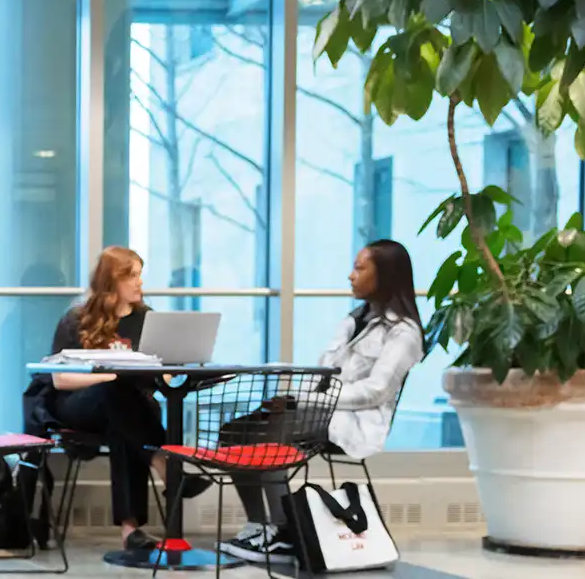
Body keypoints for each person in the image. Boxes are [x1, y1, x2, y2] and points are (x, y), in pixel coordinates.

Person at [217, 239, 425, 564]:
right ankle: (259, 526)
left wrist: (311, 402)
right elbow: (323, 374)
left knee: (271, 432)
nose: (351, 276)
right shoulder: (354, 320)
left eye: (360, 268)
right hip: (322, 413)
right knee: (235, 431)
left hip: (355, 421)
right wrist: (296, 399)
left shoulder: (404, 333)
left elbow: (376, 391)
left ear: (384, 275)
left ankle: (284, 534)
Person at [42, 246, 212, 551]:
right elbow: (60, 379)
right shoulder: (76, 318)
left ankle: (130, 531)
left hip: (125, 410)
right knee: (116, 392)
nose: (139, 283)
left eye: (139, 275)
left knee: (124, 423)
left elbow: (164, 373)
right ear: (112, 280)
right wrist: (111, 375)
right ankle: (163, 461)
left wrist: (170, 370)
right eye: (132, 276)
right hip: (79, 404)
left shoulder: (147, 319)